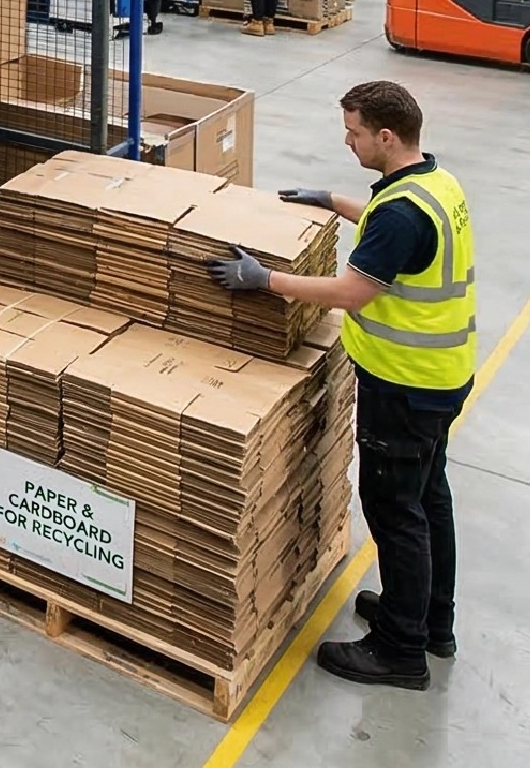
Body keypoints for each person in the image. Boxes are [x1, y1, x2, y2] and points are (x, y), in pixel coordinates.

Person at [204, 80, 475, 692]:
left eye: (353, 133)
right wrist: (330, 200)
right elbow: (391, 227)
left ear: (386, 135)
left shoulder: (404, 215)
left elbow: (353, 291)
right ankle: (432, 621)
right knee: (430, 497)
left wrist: (264, 279)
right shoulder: (434, 184)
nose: (347, 142)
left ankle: (400, 652)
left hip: (404, 385)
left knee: (394, 511)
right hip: (445, 376)